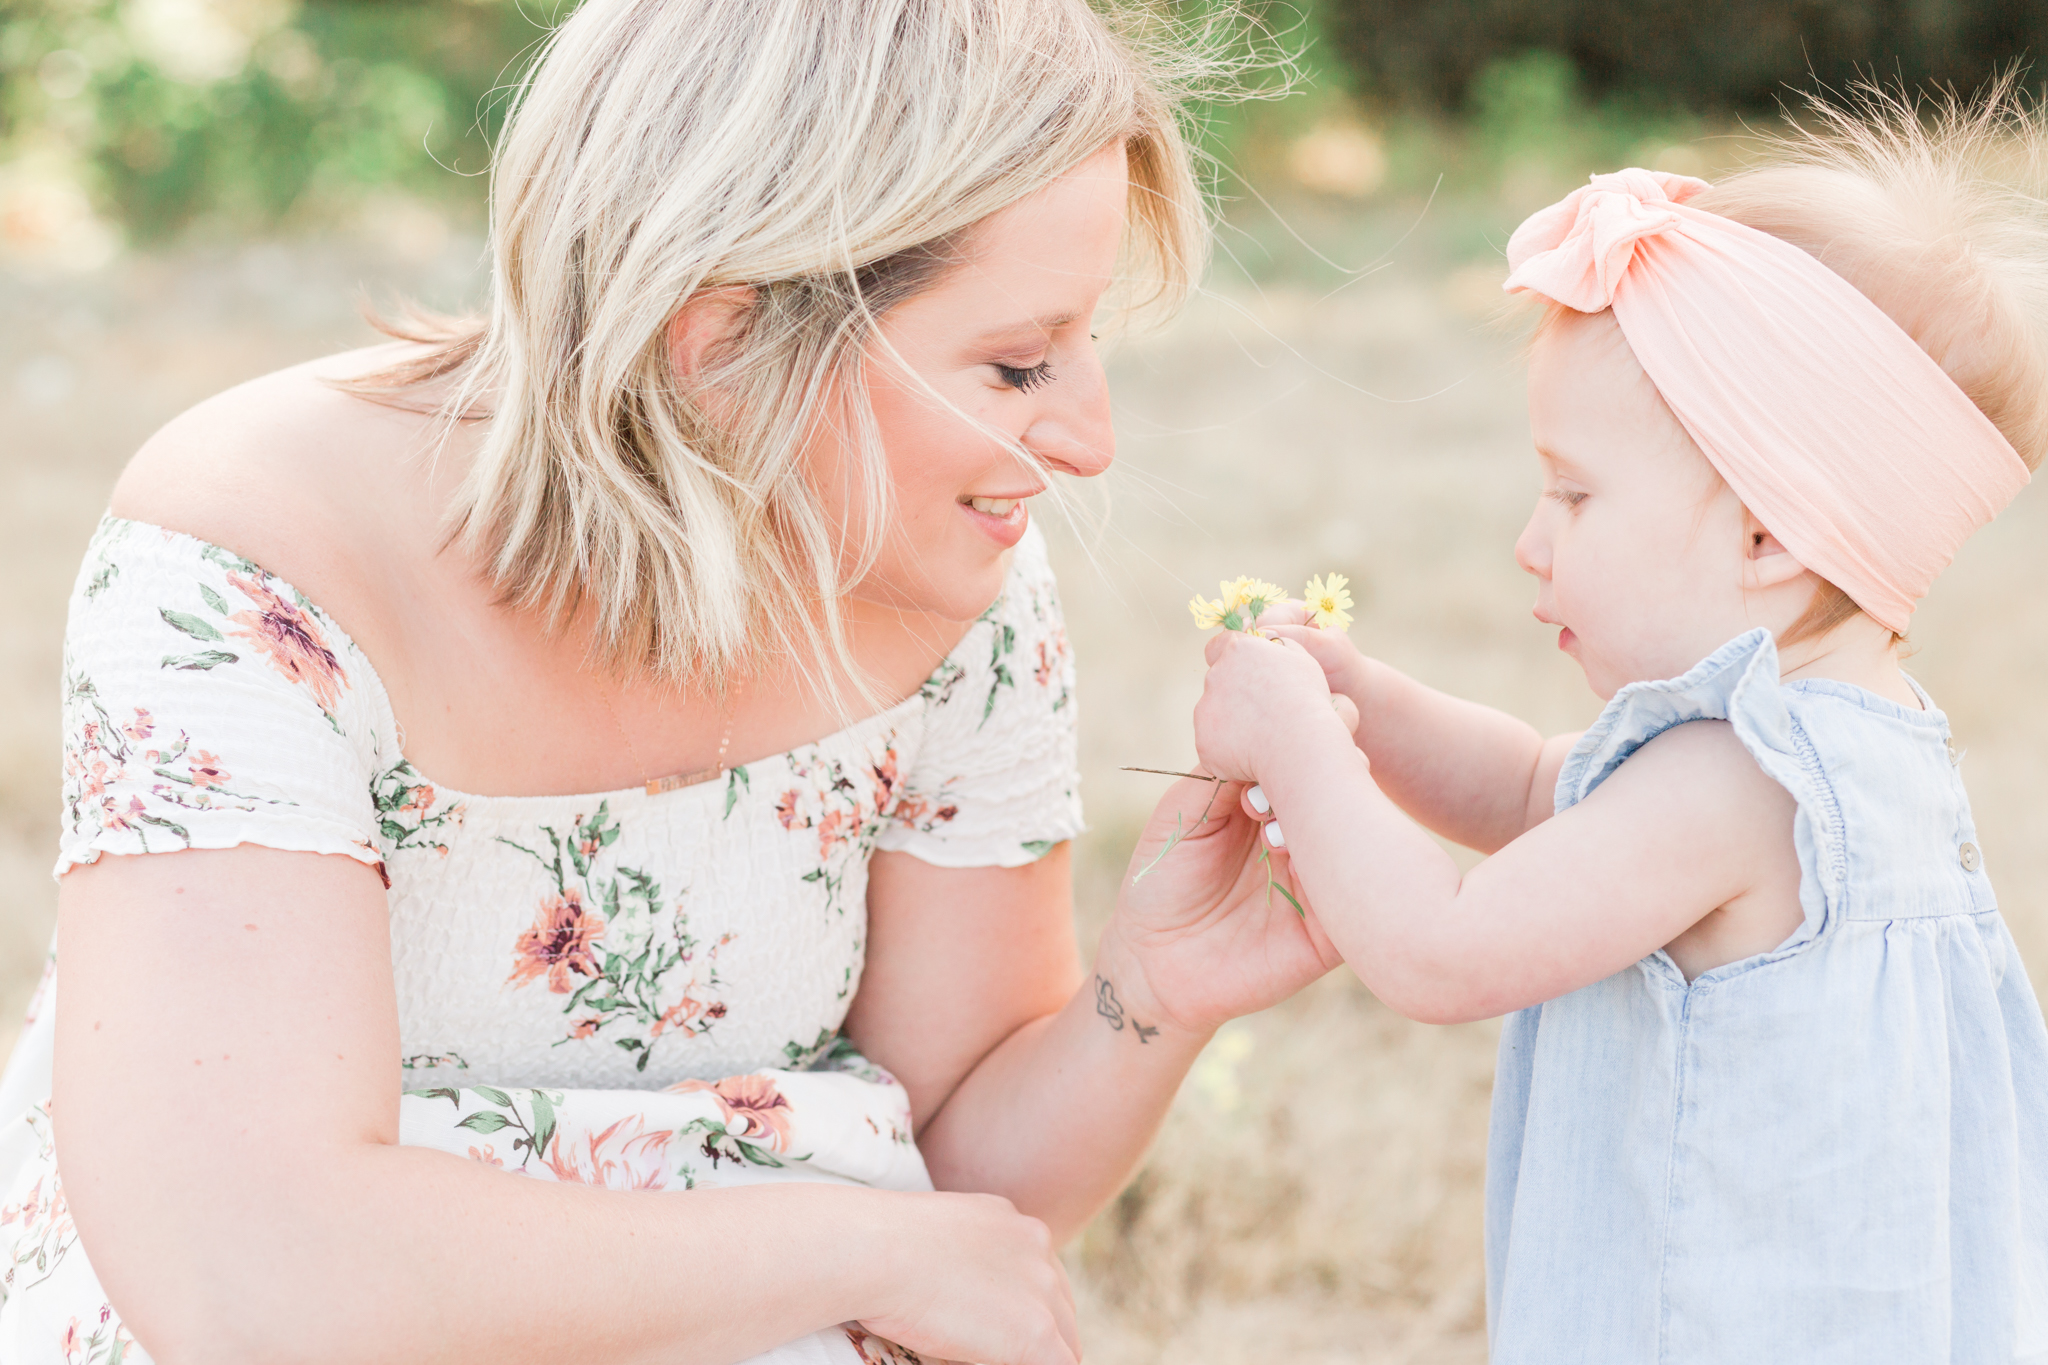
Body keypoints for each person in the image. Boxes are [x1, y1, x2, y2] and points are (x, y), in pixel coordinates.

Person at [0, 3, 1339, 1362]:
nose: (1090, 441)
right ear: (723, 346)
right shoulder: (265, 561)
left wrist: (1154, 989)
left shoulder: (950, 582)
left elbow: (967, 1203)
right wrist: (848, 1242)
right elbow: (249, 1276)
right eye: (1017, 363)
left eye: (1087, 339)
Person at [1191, 91, 2048, 1361]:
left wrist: (1299, 751)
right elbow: (1540, 793)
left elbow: (1438, 950)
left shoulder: (1732, 787)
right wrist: (1363, 706)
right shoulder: (1855, 744)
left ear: (1768, 533)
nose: (1531, 544)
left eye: (1573, 495)